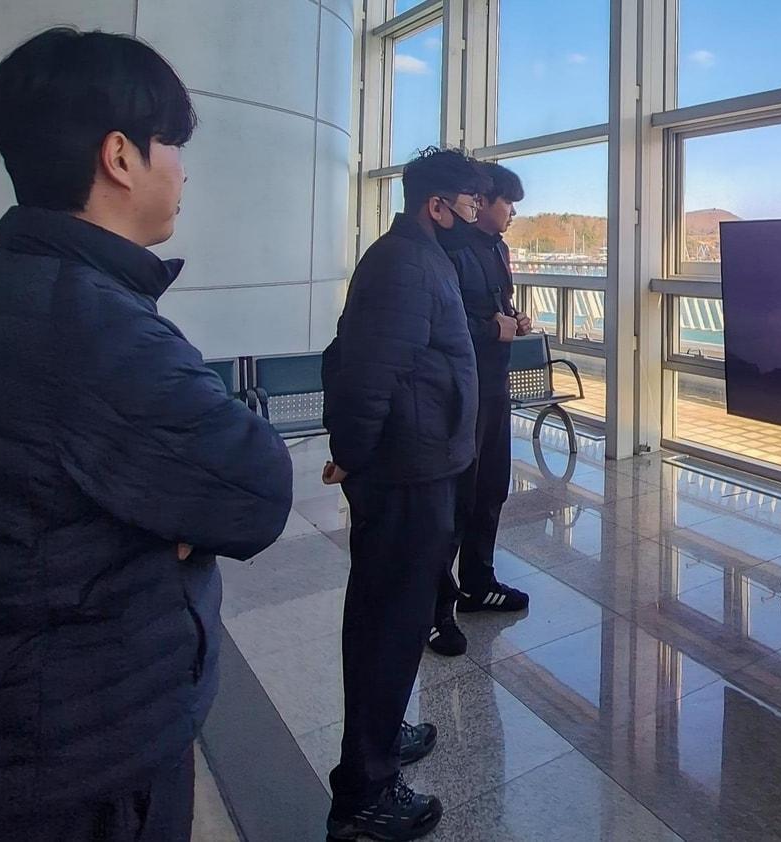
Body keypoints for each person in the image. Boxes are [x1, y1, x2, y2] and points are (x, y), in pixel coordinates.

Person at [0, 29, 294, 840]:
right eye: (173, 147)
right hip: (83, 755)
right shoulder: (94, 328)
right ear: (120, 157)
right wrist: (166, 526)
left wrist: (150, 509)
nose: (182, 170)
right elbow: (257, 489)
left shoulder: (11, 291)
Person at [320, 146, 489, 841]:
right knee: (389, 625)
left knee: (399, 614)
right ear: (437, 206)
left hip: (422, 465)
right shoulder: (405, 264)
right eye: (470, 203)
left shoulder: (421, 258)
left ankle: (381, 736)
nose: (478, 214)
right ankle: (364, 791)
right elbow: (365, 372)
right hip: (404, 473)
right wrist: (353, 458)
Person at [427, 161, 532, 657]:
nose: (511, 212)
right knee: (456, 499)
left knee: (491, 487)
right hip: (462, 392)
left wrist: (511, 320)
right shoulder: (450, 251)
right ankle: (434, 609)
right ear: (482, 203)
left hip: (493, 385)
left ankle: (477, 583)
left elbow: (489, 308)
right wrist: (494, 328)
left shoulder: (496, 249)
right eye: (505, 203)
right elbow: (443, 325)